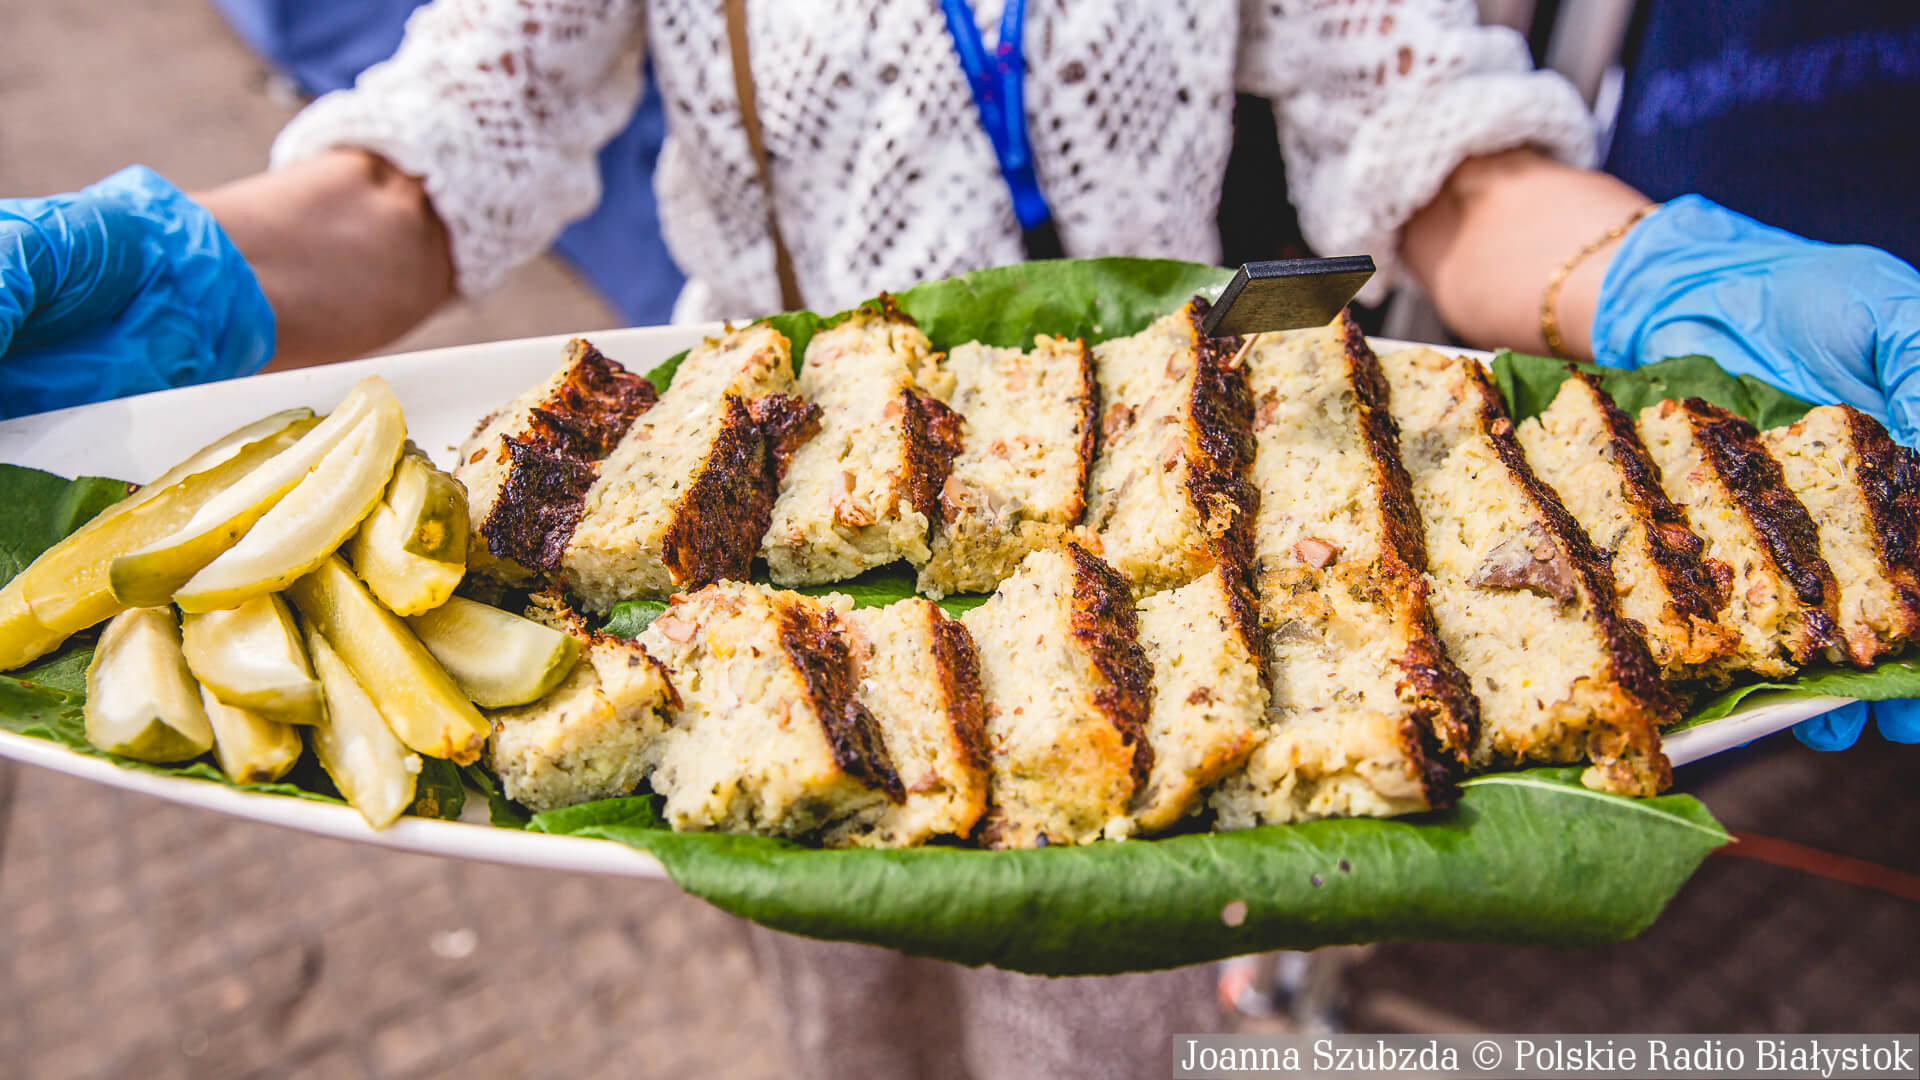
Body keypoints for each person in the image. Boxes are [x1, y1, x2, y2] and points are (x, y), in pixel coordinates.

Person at [0, 1, 1913, 1074]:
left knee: (1115, 1027)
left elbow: (1442, 166)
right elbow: (418, 181)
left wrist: (1644, 267)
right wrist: (184, 273)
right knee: (838, 1013)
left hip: (1189, 542)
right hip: (727, 572)